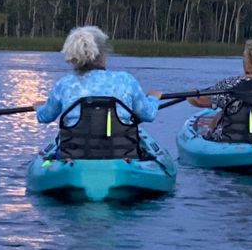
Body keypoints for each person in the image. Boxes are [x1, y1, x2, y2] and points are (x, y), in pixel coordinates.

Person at [36, 26, 161, 159]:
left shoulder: (64, 84)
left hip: (75, 156)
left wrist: (38, 108)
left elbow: (45, 117)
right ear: (102, 53)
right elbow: (149, 115)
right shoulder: (126, 80)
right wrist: (153, 98)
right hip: (120, 155)